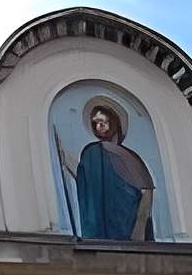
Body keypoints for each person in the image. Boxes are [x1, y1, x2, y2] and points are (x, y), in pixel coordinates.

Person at [57, 98, 157, 240]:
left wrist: (139, 227)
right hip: (102, 228)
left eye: (104, 122)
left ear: (115, 122)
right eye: (95, 123)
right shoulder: (92, 152)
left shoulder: (131, 157)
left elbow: (146, 191)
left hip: (127, 228)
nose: (99, 126)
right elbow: (87, 179)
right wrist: (65, 157)